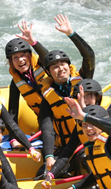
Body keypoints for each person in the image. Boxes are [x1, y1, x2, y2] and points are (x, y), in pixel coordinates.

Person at [38, 14, 95, 171]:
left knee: (85, 162)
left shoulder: (83, 81)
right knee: (42, 172)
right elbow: (47, 127)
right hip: (66, 147)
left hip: (88, 140)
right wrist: (48, 155)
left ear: (69, 67)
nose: (60, 68)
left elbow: (89, 56)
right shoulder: (48, 97)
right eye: (54, 66)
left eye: (63, 63)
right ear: (49, 73)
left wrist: (71, 33)